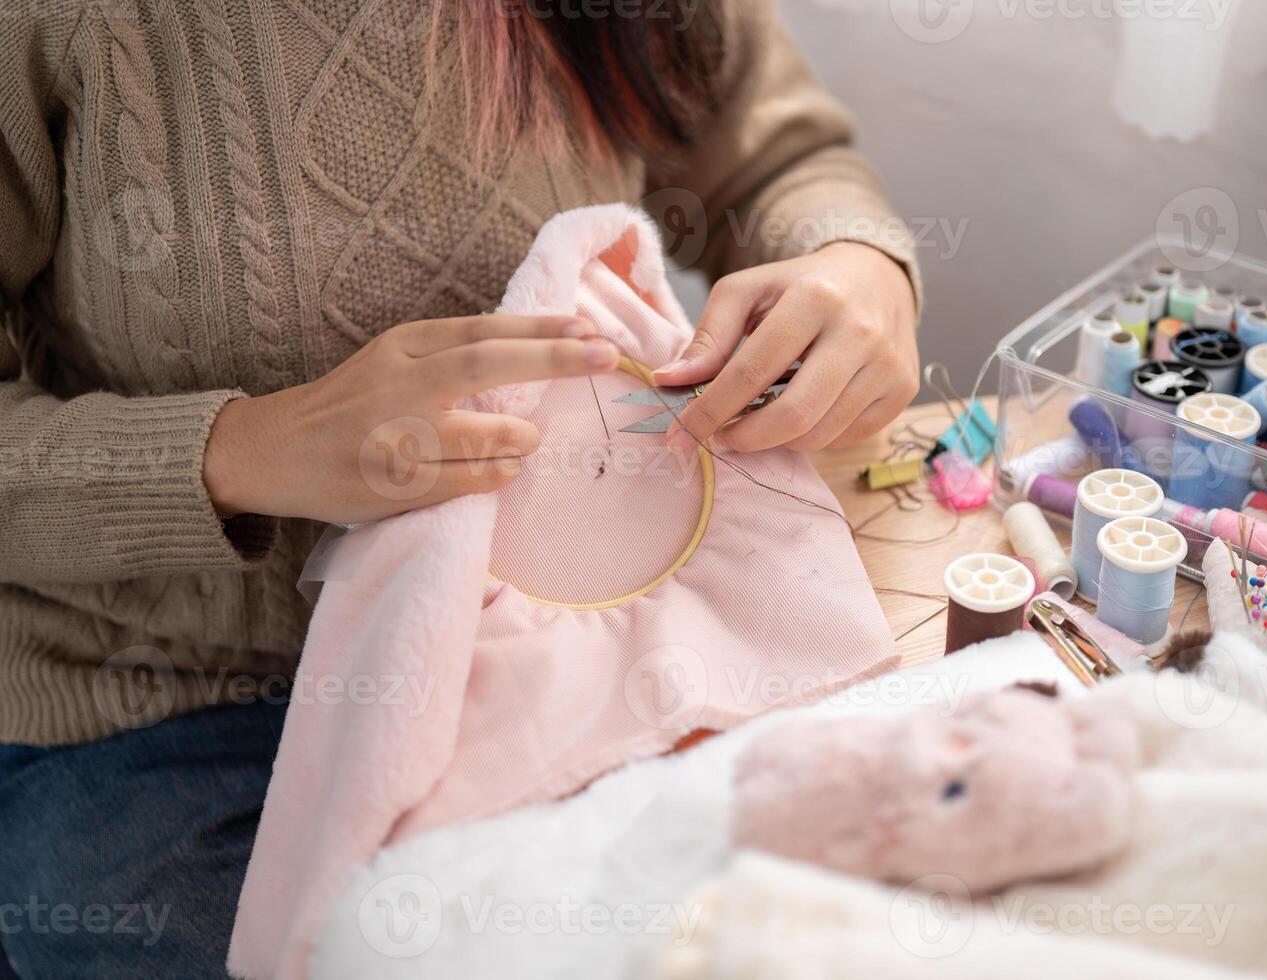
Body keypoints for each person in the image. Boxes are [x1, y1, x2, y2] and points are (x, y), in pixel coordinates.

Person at [0, 0, 920, 974]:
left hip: (578, 664)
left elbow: (774, 161)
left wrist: (855, 268)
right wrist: (249, 448)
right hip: (168, 715)